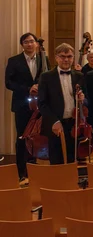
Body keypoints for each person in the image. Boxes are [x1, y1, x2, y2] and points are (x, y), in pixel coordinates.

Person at [5, 33, 47, 178]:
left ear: (36, 43)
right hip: (22, 104)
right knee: (22, 137)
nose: (29, 44)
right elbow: (8, 83)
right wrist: (28, 88)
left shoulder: (44, 59)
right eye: (26, 42)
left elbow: (47, 79)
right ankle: (21, 171)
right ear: (22, 44)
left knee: (36, 137)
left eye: (31, 41)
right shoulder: (14, 61)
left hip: (39, 105)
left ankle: (34, 167)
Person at [37, 43, 84, 165]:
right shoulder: (46, 77)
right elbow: (42, 103)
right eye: (62, 56)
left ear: (73, 58)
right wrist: (54, 121)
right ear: (56, 57)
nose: (66, 59)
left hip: (74, 124)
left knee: (72, 158)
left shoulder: (79, 76)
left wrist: (83, 99)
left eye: (69, 56)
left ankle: (70, 183)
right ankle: (57, 184)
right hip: (55, 124)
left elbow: (86, 100)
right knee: (56, 159)